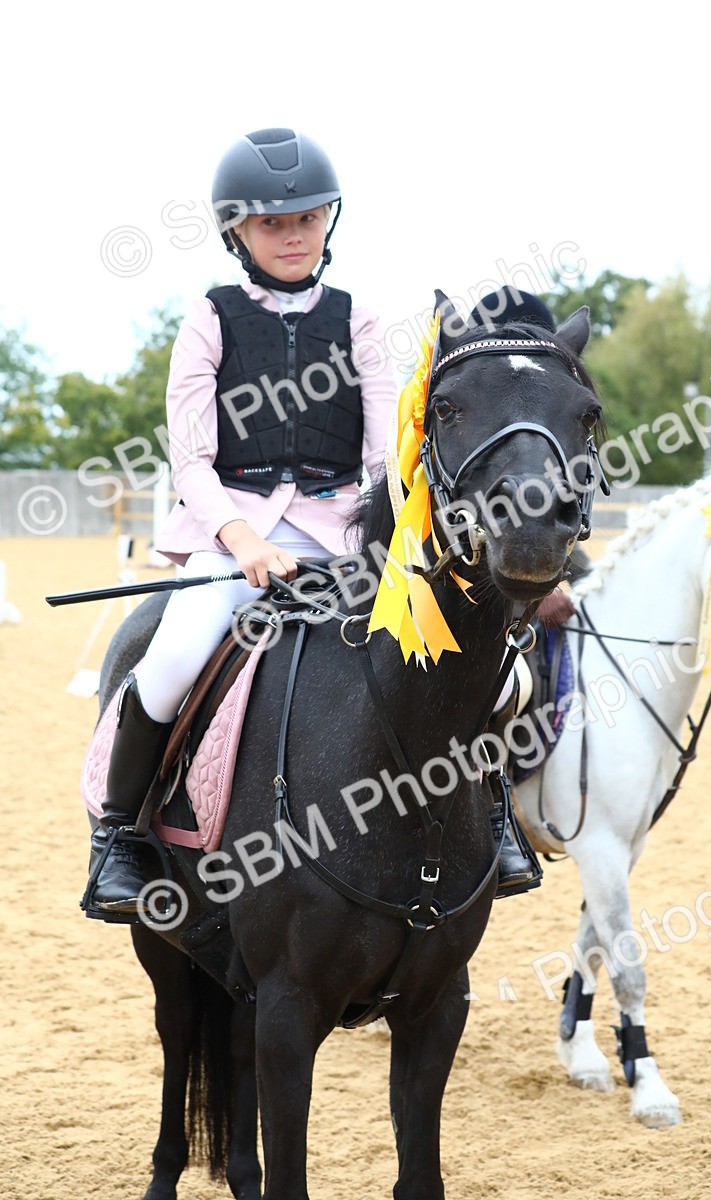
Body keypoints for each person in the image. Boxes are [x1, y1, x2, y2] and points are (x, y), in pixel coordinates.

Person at [85, 128, 538, 917]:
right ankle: (118, 839)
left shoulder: (360, 319)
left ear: (330, 219)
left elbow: (383, 454)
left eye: (307, 218)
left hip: (348, 536)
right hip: (231, 535)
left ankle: (493, 814)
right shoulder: (210, 319)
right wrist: (244, 542)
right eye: (272, 223)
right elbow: (191, 461)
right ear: (237, 232)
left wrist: (390, 542)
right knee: (171, 659)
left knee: (475, 662)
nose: (293, 236)